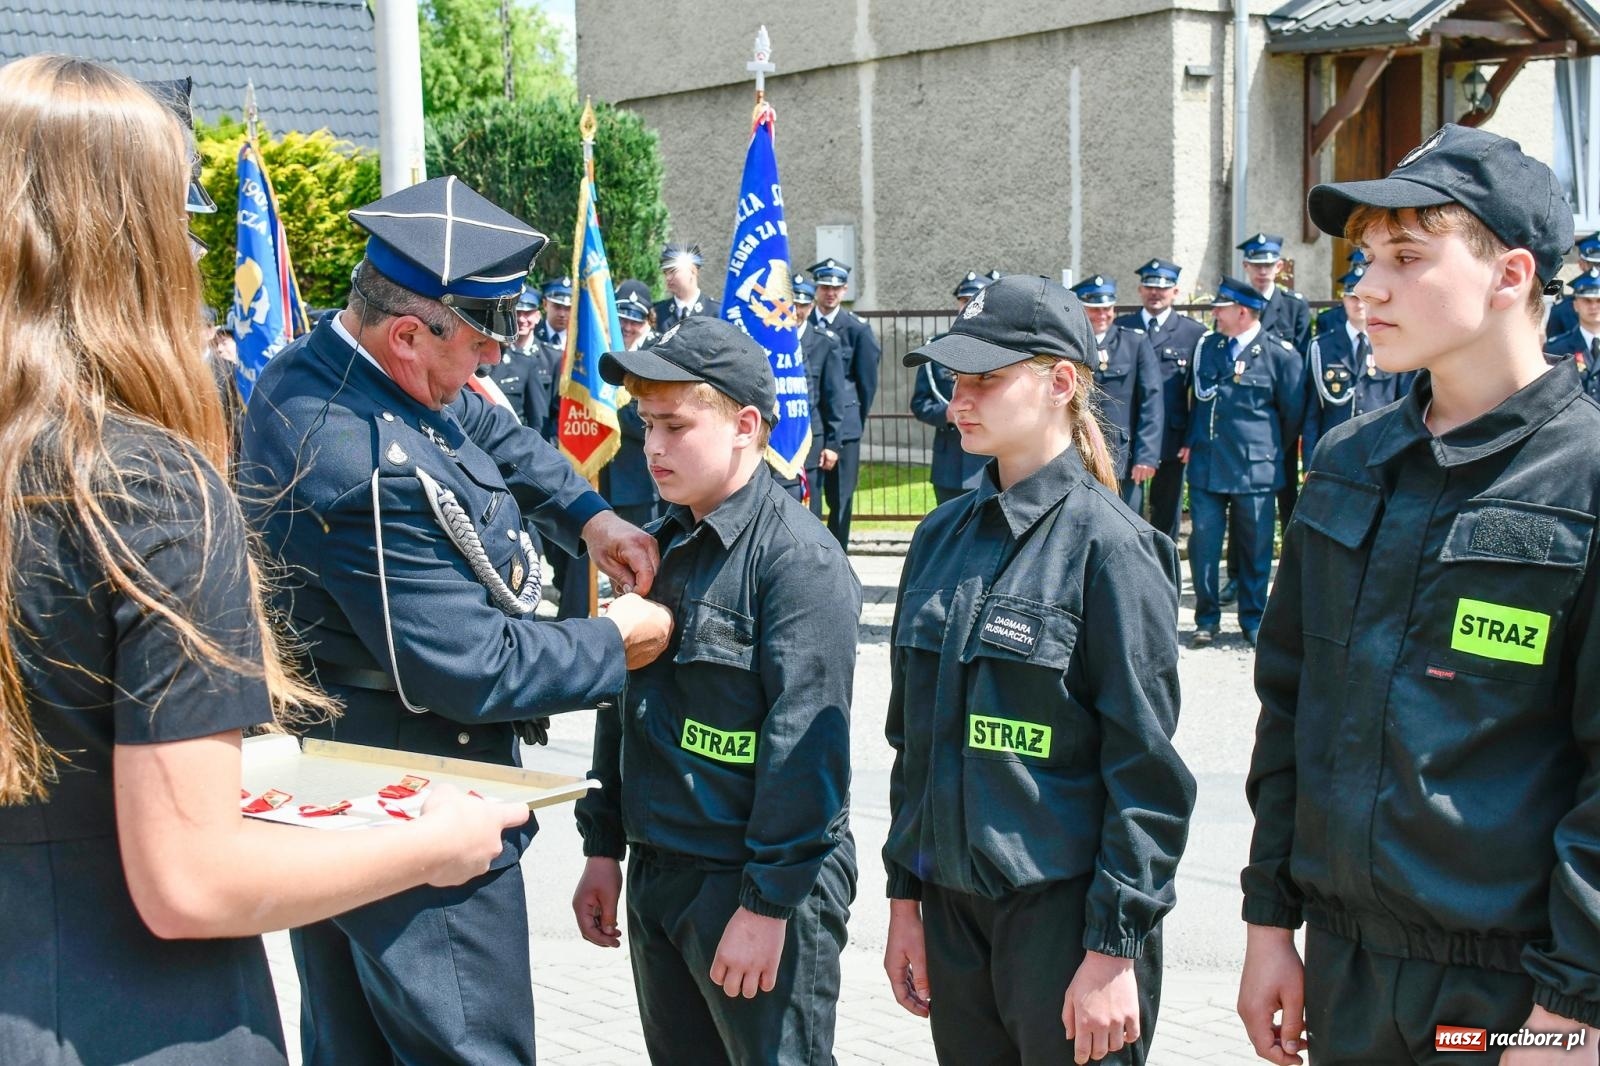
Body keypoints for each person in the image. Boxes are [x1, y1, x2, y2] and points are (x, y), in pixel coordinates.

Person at [0, 55, 534, 1066]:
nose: (201, 261)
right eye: (184, 228)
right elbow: (189, 880)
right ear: (136, 247)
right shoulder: (144, 488)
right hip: (131, 1021)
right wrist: (438, 839)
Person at [238, 175, 675, 1066]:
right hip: (413, 790)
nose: (484, 367)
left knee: (353, 1045)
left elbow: (490, 429)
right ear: (408, 332)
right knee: (464, 1048)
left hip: (341, 772)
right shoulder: (357, 458)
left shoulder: (343, 367)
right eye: (476, 344)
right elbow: (468, 664)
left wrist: (589, 517)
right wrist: (613, 643)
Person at [1239, 123, 1600, 1066]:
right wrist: (1270, 922)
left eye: (1406, 256)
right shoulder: (1352, 461)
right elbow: (1292, 704)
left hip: (1514, 995)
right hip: (1348, 975)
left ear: (1510, 275)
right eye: (1363, 259)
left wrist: (1574, 1010)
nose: (1366, 287)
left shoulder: (1587, 479)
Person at [882, 274, 1195, 1066]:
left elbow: (1146, 772)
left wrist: (1113, 949)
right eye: (955, 378)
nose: (961, 398)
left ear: (1061, 382)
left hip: (1064, 925)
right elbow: (912, 745)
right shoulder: (939, 536)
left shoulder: (1112, 549)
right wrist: (906, 900)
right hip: (954, 915)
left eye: (986, 377)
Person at [572, 316, 859, 1064]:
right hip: (660, 870)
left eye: (674, 424)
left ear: (745, 425)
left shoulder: (798, 562)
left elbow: (808, 753)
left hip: (751, 884)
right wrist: (603, 845)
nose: (652, 447)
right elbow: (622, 707)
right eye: (645, 424)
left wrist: (767, 906)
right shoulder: (656, 545)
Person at [1180, 277, 1306, 648]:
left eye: (1222, 308)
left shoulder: (1280, 355)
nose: (1215, 314)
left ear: (1243, 312)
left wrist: (1265, 451)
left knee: (1256, 548)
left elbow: (1291, 416)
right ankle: (1206, 619)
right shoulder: (1211, 347)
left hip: (1255, 468)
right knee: (1204, 546)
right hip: (1208, 464)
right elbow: (1198, 402)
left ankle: (1253, 618)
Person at [1117, 258, 1205, 543]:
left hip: (1172, 437)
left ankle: (1166, 575)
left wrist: (1191, 438)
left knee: (1166, 514)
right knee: (1124, 512)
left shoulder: (1193, 334)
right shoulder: (1122, 328)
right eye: (1150, 287)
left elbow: (1199, 394)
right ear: (1140, 290)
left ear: (1175, 292)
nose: (1156, 293)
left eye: (1163, 289)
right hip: (1128, 436)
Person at [1301, 265, 1415, 461]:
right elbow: (1312, 411)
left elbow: (1404, 403)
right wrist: (1312, 460)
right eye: (1353, 297)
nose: (1359, 304)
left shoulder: (1394, 342)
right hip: (1335, 450)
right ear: (1343, 299)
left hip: (1379, 449)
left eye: (1364, 299)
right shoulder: (1322, 347)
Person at [1072, 274, 1163, 513]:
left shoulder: (1134, 343)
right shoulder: (1069, 346)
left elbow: (1151, 403)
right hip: (1076, 452)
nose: (1102, 315)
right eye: (1095, 309)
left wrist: (1146, 456)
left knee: (1126, 524)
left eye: (1107, 309)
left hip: (1122, 456)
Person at [808, 257, 881, 549]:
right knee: (809, 494)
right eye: (825, 287)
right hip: (812, 424)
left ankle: (838, 554)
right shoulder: (802, 326)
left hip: (846, 426)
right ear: (816, 288)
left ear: (845, 290)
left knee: (841, 498)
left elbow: (867, 385)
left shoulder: (856, 329)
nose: (830, 293)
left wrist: (854, 425)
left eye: (836, 288)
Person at [1239, 234, 1311, 527]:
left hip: (1286, 409)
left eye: (1268, 265)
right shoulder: (1238, 304)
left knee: (1286, 486)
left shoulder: (1294, 306)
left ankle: (1288, 550)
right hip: (1252, 407)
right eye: (1256, 265)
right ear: (1246, 266)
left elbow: (1303, 359)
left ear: (1279, 267)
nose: (1262, 272)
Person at [912, 271, 991, 505]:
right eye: (964, 301)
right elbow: (920, 403)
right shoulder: (938, 348)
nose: (968, 307)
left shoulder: (1005, 350)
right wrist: (945, 414)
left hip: (991, 460)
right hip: (951, 465)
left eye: (975, 301)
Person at [786, 271, 849, 512]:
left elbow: (834, 399)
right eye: (792, 304)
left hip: (812, 439)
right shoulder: (774, 343)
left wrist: (833, 444)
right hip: (780, 440)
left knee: (810, 507)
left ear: (811, 307)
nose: (796, 310)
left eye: (802, 305)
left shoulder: (825, 342)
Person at [1543, 270, 1600, 402]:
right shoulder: (1555, 349)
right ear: (1575, 305)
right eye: (1587, 300)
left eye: (1599, 301)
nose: (1594, 306)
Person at [1545, 230, 1600, 338]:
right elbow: (1554, 351)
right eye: (1594, 264)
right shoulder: (1562, 309)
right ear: (1581, 264)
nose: (1598, 270)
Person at [653, 243, 717, 329]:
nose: (668, 277)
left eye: (673, 271)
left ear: (693, 271)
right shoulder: (657, 312)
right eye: (665, 272)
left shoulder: (715, 312)